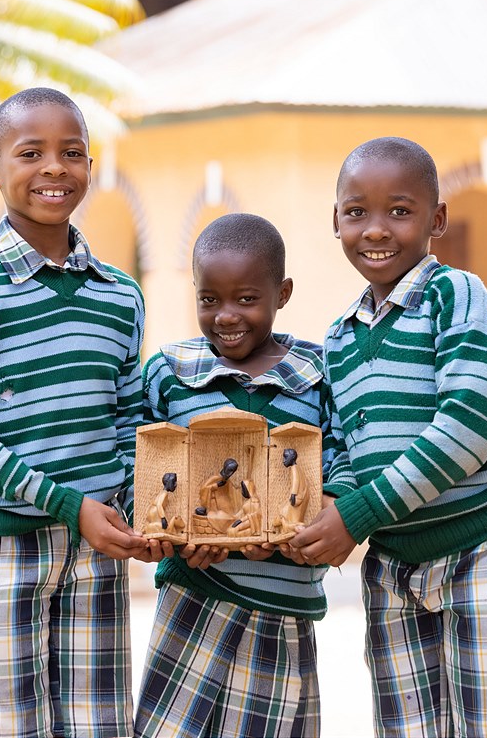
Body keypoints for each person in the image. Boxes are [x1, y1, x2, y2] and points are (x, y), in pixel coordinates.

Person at [290, 137, 487, 738]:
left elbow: (470, 423)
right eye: (357, 212)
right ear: (335, 220)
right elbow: (338, 444)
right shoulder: (338, 339)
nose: (377, 230)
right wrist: (334, 501)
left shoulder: (457, 296)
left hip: (484, 551)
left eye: (401, 211)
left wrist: (355, 515)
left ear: (437, 219)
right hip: (392, 568)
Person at [0, 87, 148, 738]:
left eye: (71, 152)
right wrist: (66, 502)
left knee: (98, 724)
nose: (54, 167)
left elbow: (129, 419)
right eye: (31, 152)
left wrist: (136, 510)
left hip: (94, 548)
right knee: (4, 726)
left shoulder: (120, 295)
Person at [134, 213, 353, 738]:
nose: (226, 316)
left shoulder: (319, 376)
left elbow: (344, 454)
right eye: (210, 299)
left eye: (247, 299)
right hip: (193, 598)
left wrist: (321, 508)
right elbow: (142, 464)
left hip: (282, 604)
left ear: (283, 293)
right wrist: (169, 536)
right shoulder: (170, 373)